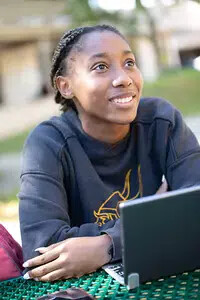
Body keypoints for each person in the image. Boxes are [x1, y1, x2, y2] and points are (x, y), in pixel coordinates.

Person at [19, 24, 200, 282]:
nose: (124, 78)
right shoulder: (47, 143)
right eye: (100, 67)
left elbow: (194, 208)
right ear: (65, 86)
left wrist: (106, 245)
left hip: (160, 276)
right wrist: (157, 218)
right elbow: (43, 251)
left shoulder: (162, 121)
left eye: (129, 62)